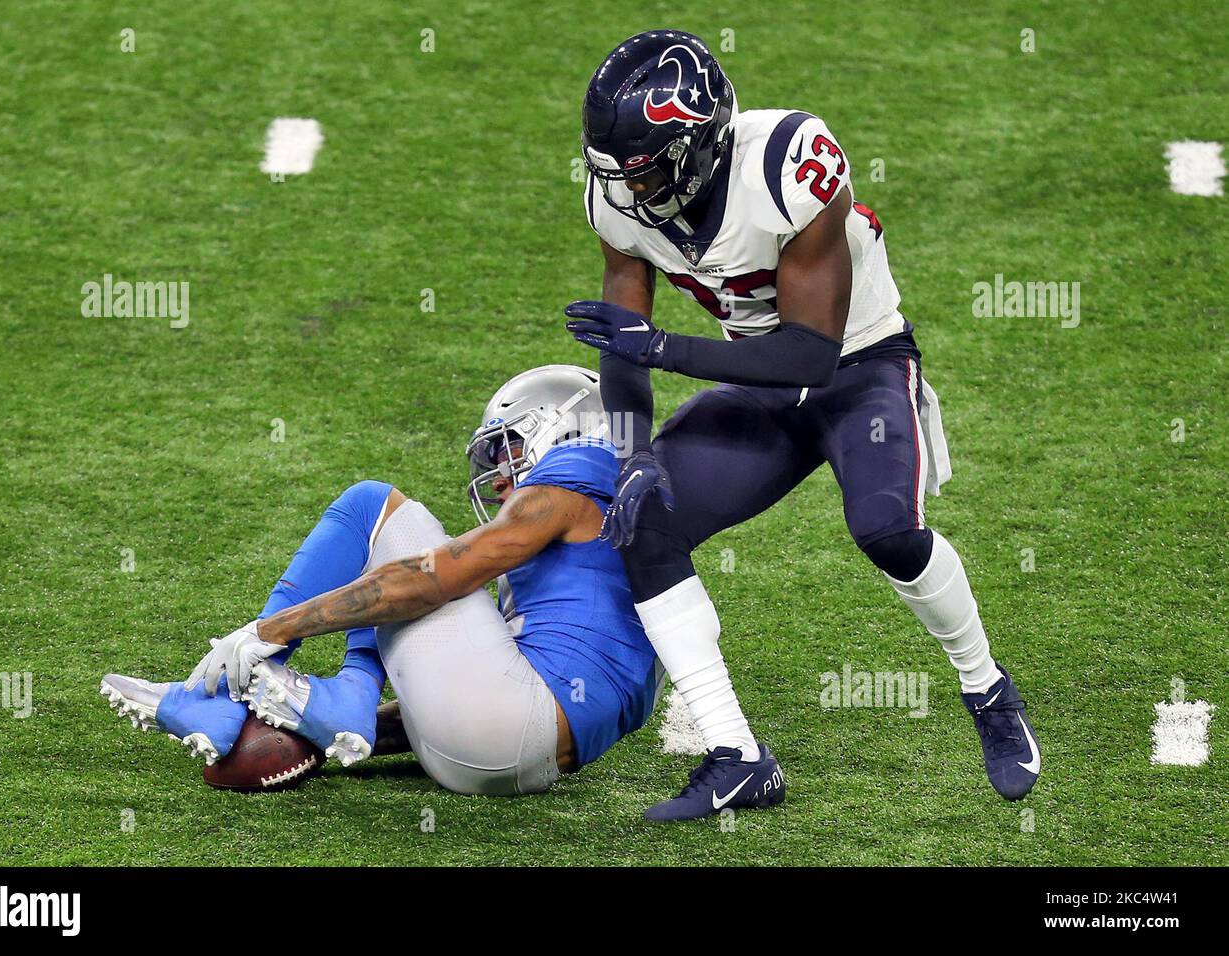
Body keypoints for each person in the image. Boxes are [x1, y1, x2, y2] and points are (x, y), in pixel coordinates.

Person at [564, 30, 1040, 820]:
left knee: (888, 531)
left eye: (644, 168)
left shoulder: (790, 161)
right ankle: (738, 757)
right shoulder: (619, 202)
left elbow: (812, 355)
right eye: (616, 170)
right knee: (642, 518)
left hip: (860, 366)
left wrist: (666, 350)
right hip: (754, 377)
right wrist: (635, 451)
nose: (628, 189)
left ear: (697, 144)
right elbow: (623, 340)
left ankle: (986, 686)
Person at [103, 366, 674, 796]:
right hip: (511, 767)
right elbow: (490, 707)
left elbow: (430, 582)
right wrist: (329, 734)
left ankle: (229, 693)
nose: (499, 477)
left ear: (563, 429)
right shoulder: (614, 548)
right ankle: (326, 700)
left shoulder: (579, 470)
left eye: (509, 449)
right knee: (408, 573)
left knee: (372, 510)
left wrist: (266, 631)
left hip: (504, 722)